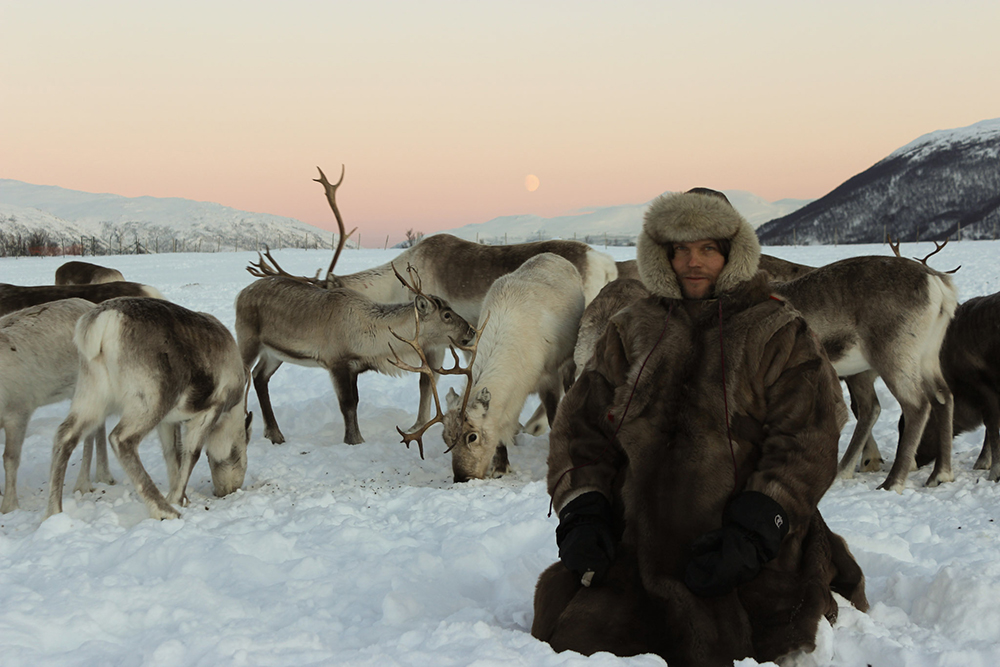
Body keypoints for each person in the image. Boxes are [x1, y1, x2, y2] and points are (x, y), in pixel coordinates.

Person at [530, 188, 869, 666]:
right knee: (583, 625)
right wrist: (583, 510)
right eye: (680, 249)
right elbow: (582, 429)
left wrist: (756, 529)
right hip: (641, 535)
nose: (693, 261)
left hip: (744, 539)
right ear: (661, 256)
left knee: (763, 627)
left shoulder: (776, 329)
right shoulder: (630, 329)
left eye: (707, 248)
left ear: (732, 254)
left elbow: (807, 439)